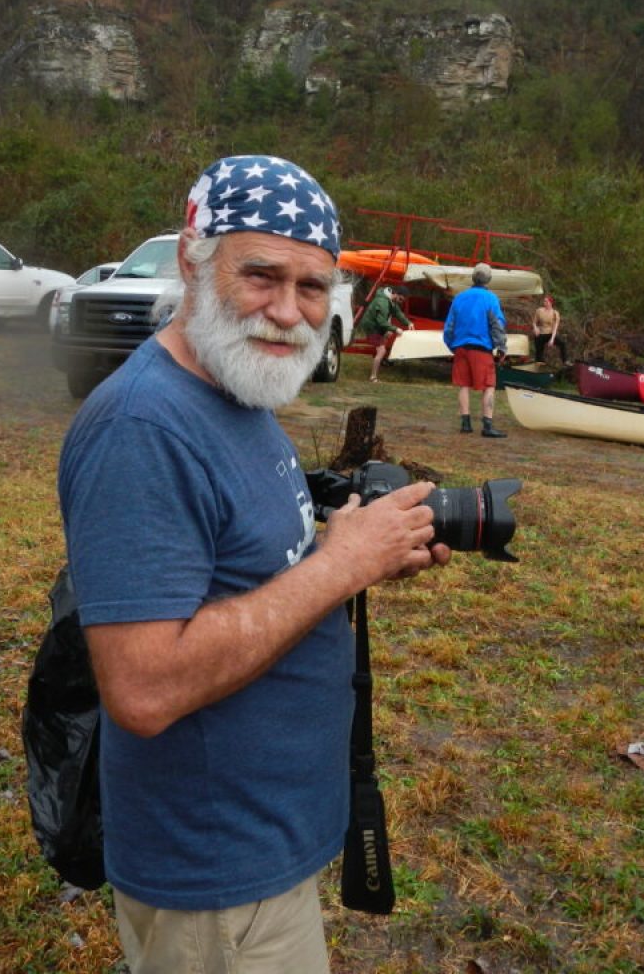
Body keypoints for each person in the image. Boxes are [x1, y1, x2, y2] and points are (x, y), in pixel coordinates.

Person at [58, 155, 451, 974]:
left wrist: (364, 547)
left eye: (313, 288)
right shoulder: (144, 427)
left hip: (260, 844)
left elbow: (255, 568)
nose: (287, 312)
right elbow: (144, 687)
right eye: (261, 276)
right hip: (214, 881)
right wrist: (341, 567)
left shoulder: (239, 391)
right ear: (192, 263)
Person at [441, 261, 508, 438]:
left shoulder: (459, 298)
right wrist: (501, 347)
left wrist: (452, 346)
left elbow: (449, 327)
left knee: (463, 385)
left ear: (473, 278)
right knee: (489, 386)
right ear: (489, 280)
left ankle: (465, 424)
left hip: (461, 347)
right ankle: (487, 425)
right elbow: (497, 325)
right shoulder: (491, 299)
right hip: (481, 348)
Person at [358, 286, 414, 382]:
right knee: (382, 351)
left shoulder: (391, 301)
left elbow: (398, 313)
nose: (401, 301)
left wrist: (408, 323)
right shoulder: (383, 303)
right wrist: (395, 329)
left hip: (377, 325)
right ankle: (373, 377)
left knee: (387, 336)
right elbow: (381, 322)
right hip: (372, 327)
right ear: (396, 294)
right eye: (400, 299)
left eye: (402, 300)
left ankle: (375, 373)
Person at [532, 293, 568, 367]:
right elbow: (534, 322)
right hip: (540, 333)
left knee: (562, 343)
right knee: (539, 351)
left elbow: (555, 328)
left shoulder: (555, 313)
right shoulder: (539, 310)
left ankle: (565, 360)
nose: (544, 303)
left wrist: (552, 339)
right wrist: (535, 328)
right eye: (544, 301)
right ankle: (539, 362)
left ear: (550, 303)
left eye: (546, 301)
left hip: (550, 334)